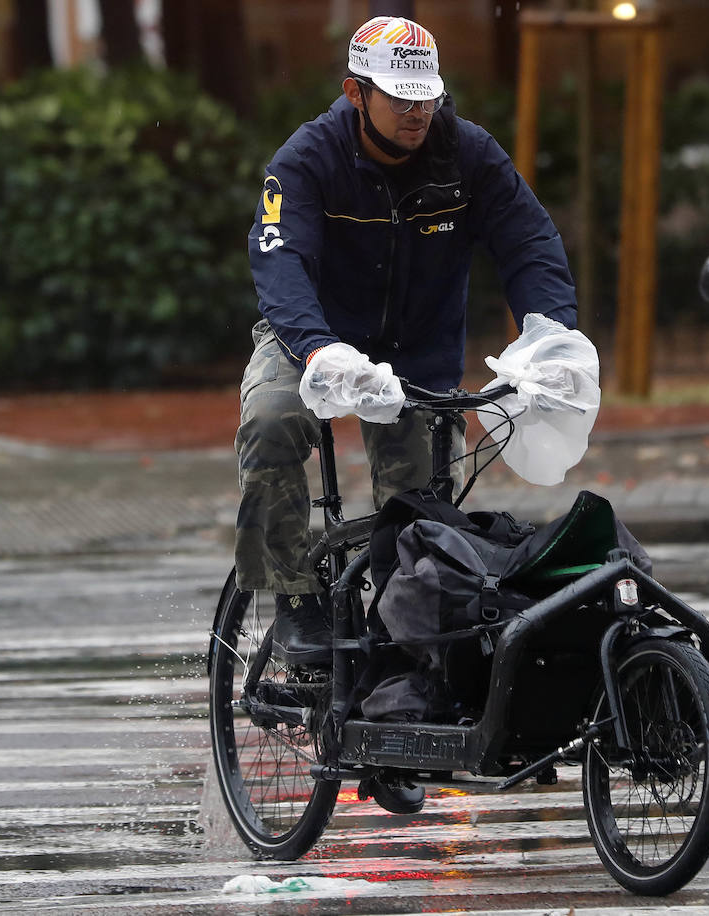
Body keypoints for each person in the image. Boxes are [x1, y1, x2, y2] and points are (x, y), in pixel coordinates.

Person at [236, 15, 578, 667]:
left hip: (415, 356)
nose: (417, 112)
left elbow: (529, 244)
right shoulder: (305, 161)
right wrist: (319, 351)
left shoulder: (469, 155)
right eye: (398, 97)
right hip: (310, 338)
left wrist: (550, 338)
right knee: (270, 422)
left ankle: (405, 663)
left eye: (426, 96)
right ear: (355, 93)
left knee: (421, 529)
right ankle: (292, 598)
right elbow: (280, 265)